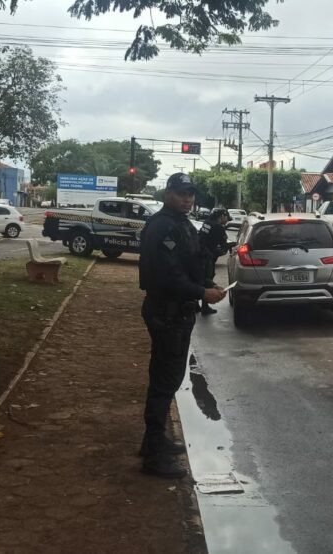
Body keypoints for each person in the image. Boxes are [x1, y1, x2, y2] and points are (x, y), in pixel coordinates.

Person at [137, 173, 226, 478]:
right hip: (167, 311)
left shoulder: (181, 222)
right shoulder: (163, 225)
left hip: (177, 311)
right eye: (181, 193)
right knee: (165, 381)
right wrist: (202, 293)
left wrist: (206, 283)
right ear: (168, 193)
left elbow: (191, 264)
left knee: (166, 378)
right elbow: (168, 276)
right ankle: (153, 456)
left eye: (191, 193)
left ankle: (155, 441)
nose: (188, 198)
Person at [199, 208, 231, 315]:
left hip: (199, 254)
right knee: (208, 279)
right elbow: (224, 244)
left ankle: (195, 305)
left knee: (199, 279)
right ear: (222, 216)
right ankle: (205, 307)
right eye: (226, 218)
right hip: (207, 257)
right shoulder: (218, 227)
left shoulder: (207, 222)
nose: (227, 220)